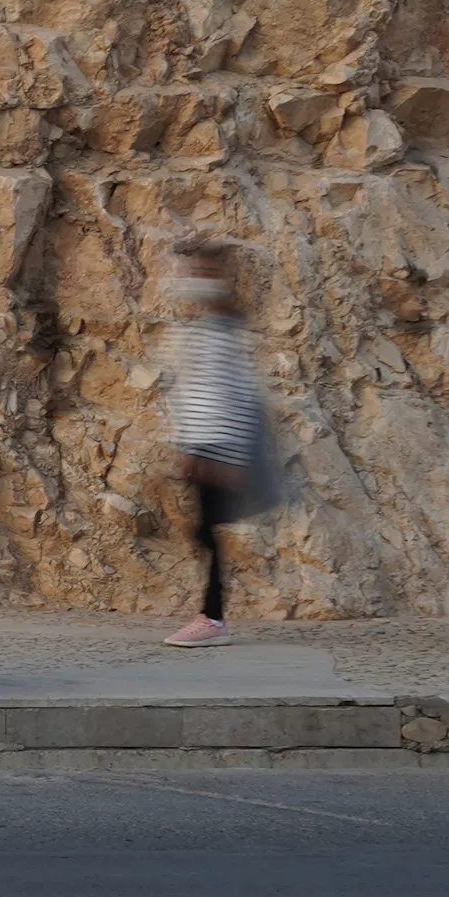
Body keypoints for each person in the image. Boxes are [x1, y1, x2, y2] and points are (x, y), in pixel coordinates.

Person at [160, 236, 272, 649]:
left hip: (219, 446)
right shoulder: (210, 328)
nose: (196, 281)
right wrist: (186, 446)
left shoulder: (223, 332)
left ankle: (213, 618)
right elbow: (196, 393)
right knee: (205, 530)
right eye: (196, 273)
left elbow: (235, 393)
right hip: (207, 445)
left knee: (209, 530)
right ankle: (211, 614)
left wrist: (229, 456)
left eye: (205, 273)